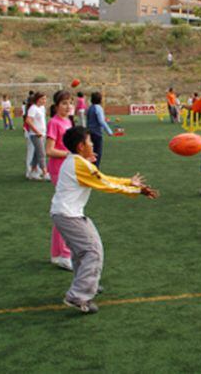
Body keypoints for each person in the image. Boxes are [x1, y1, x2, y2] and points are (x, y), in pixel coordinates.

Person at [51, 126, 158, 314]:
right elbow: (105, 185)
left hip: (66, 214)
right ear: (81, 146)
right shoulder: (80, 164)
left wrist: (128, 182)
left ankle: (86, 284)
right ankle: (79, 295)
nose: (93, 144)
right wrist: (136, 190)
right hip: (68, 215)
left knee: (82, 252)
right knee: (93, 251)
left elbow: (103, 178)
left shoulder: (77, 162)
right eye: (90, 141)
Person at [46, 91, 75, 271]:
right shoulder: (54, 122)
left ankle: (57, 254)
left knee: (62, 211)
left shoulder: (68, 121)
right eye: (64, 103)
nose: (67, 106)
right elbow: (49, 150)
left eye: (69, 103)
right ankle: (65, 254)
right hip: (59, 170)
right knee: (66, 212)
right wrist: (70, 154)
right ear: (56, 105)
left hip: (68, 169)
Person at [25, 92, 49, 181]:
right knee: (42, 153)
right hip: (35, 135)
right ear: (38, 99)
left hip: (42, 134)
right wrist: (36, 131)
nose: (44, 101)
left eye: (45, 99)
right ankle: (45, 173)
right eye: (43, 99)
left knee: (36, 154)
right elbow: (28, 120)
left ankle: (32, 172)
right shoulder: (33, 108)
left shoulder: (41, 108)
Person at [86, 92, 113, 168]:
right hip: (97, 133)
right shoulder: (98, 108)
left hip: (89, 132)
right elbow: (101, 121)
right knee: (98, 153)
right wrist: (109, 131)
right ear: (100, 100)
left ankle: (89, 168)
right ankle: (95, 170)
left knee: (91, 152)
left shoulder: (90, 108)